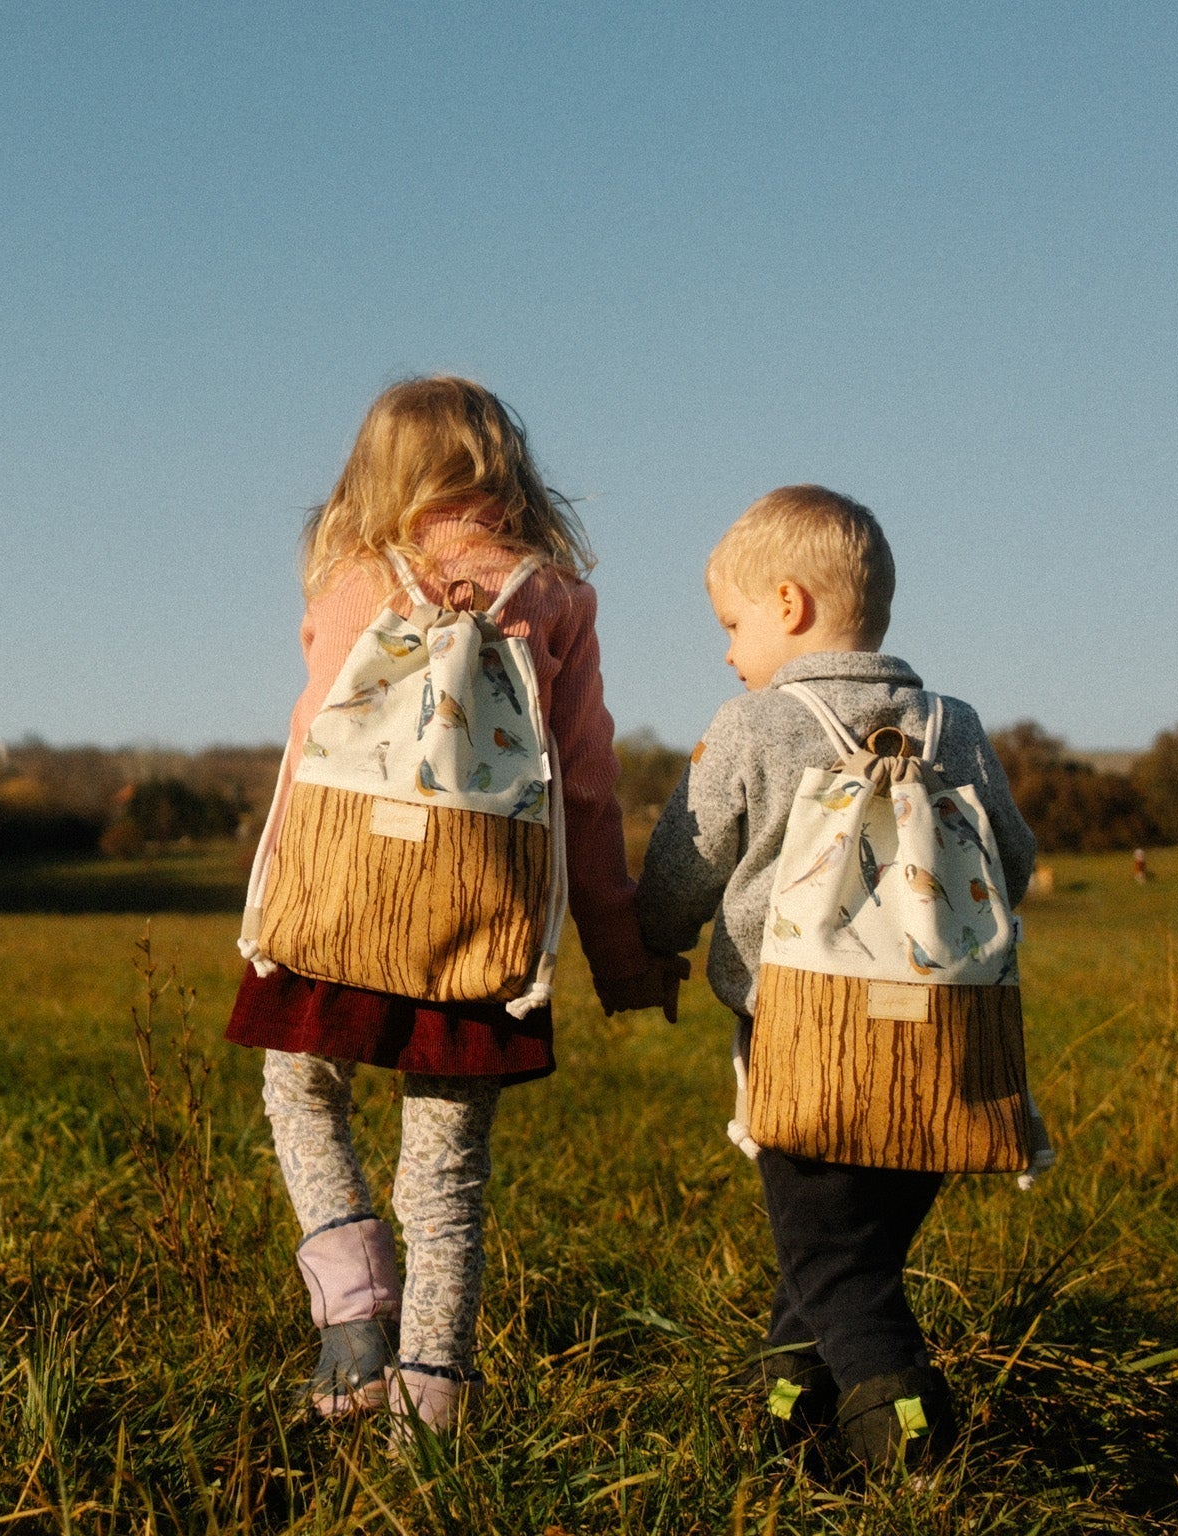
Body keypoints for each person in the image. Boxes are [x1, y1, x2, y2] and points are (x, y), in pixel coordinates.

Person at [226, 376, 680, 1435]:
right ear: (507, 470)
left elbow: (307, 753)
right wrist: (620, 957)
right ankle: (432, 1406)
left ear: (374, 475)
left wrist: (274, 903)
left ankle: (353, 1308)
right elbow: (588, 791)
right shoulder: (554, 597)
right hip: (481, 924)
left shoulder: (353, 582)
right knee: (446, 1170)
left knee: (300, 1089)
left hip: (339, 910)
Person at [635, 485, 1037, 1473]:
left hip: (806, 1046)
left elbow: (686, 861)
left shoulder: (754, 724)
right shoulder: (954, 725)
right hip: (944, 1048)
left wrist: (655, 934)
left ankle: (912, 1440)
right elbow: (1014, 859)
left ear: (789, 604)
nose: (728, 651)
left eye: (731, 626)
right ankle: (794, 1413)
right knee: (846, 1249)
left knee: (835, 1265)